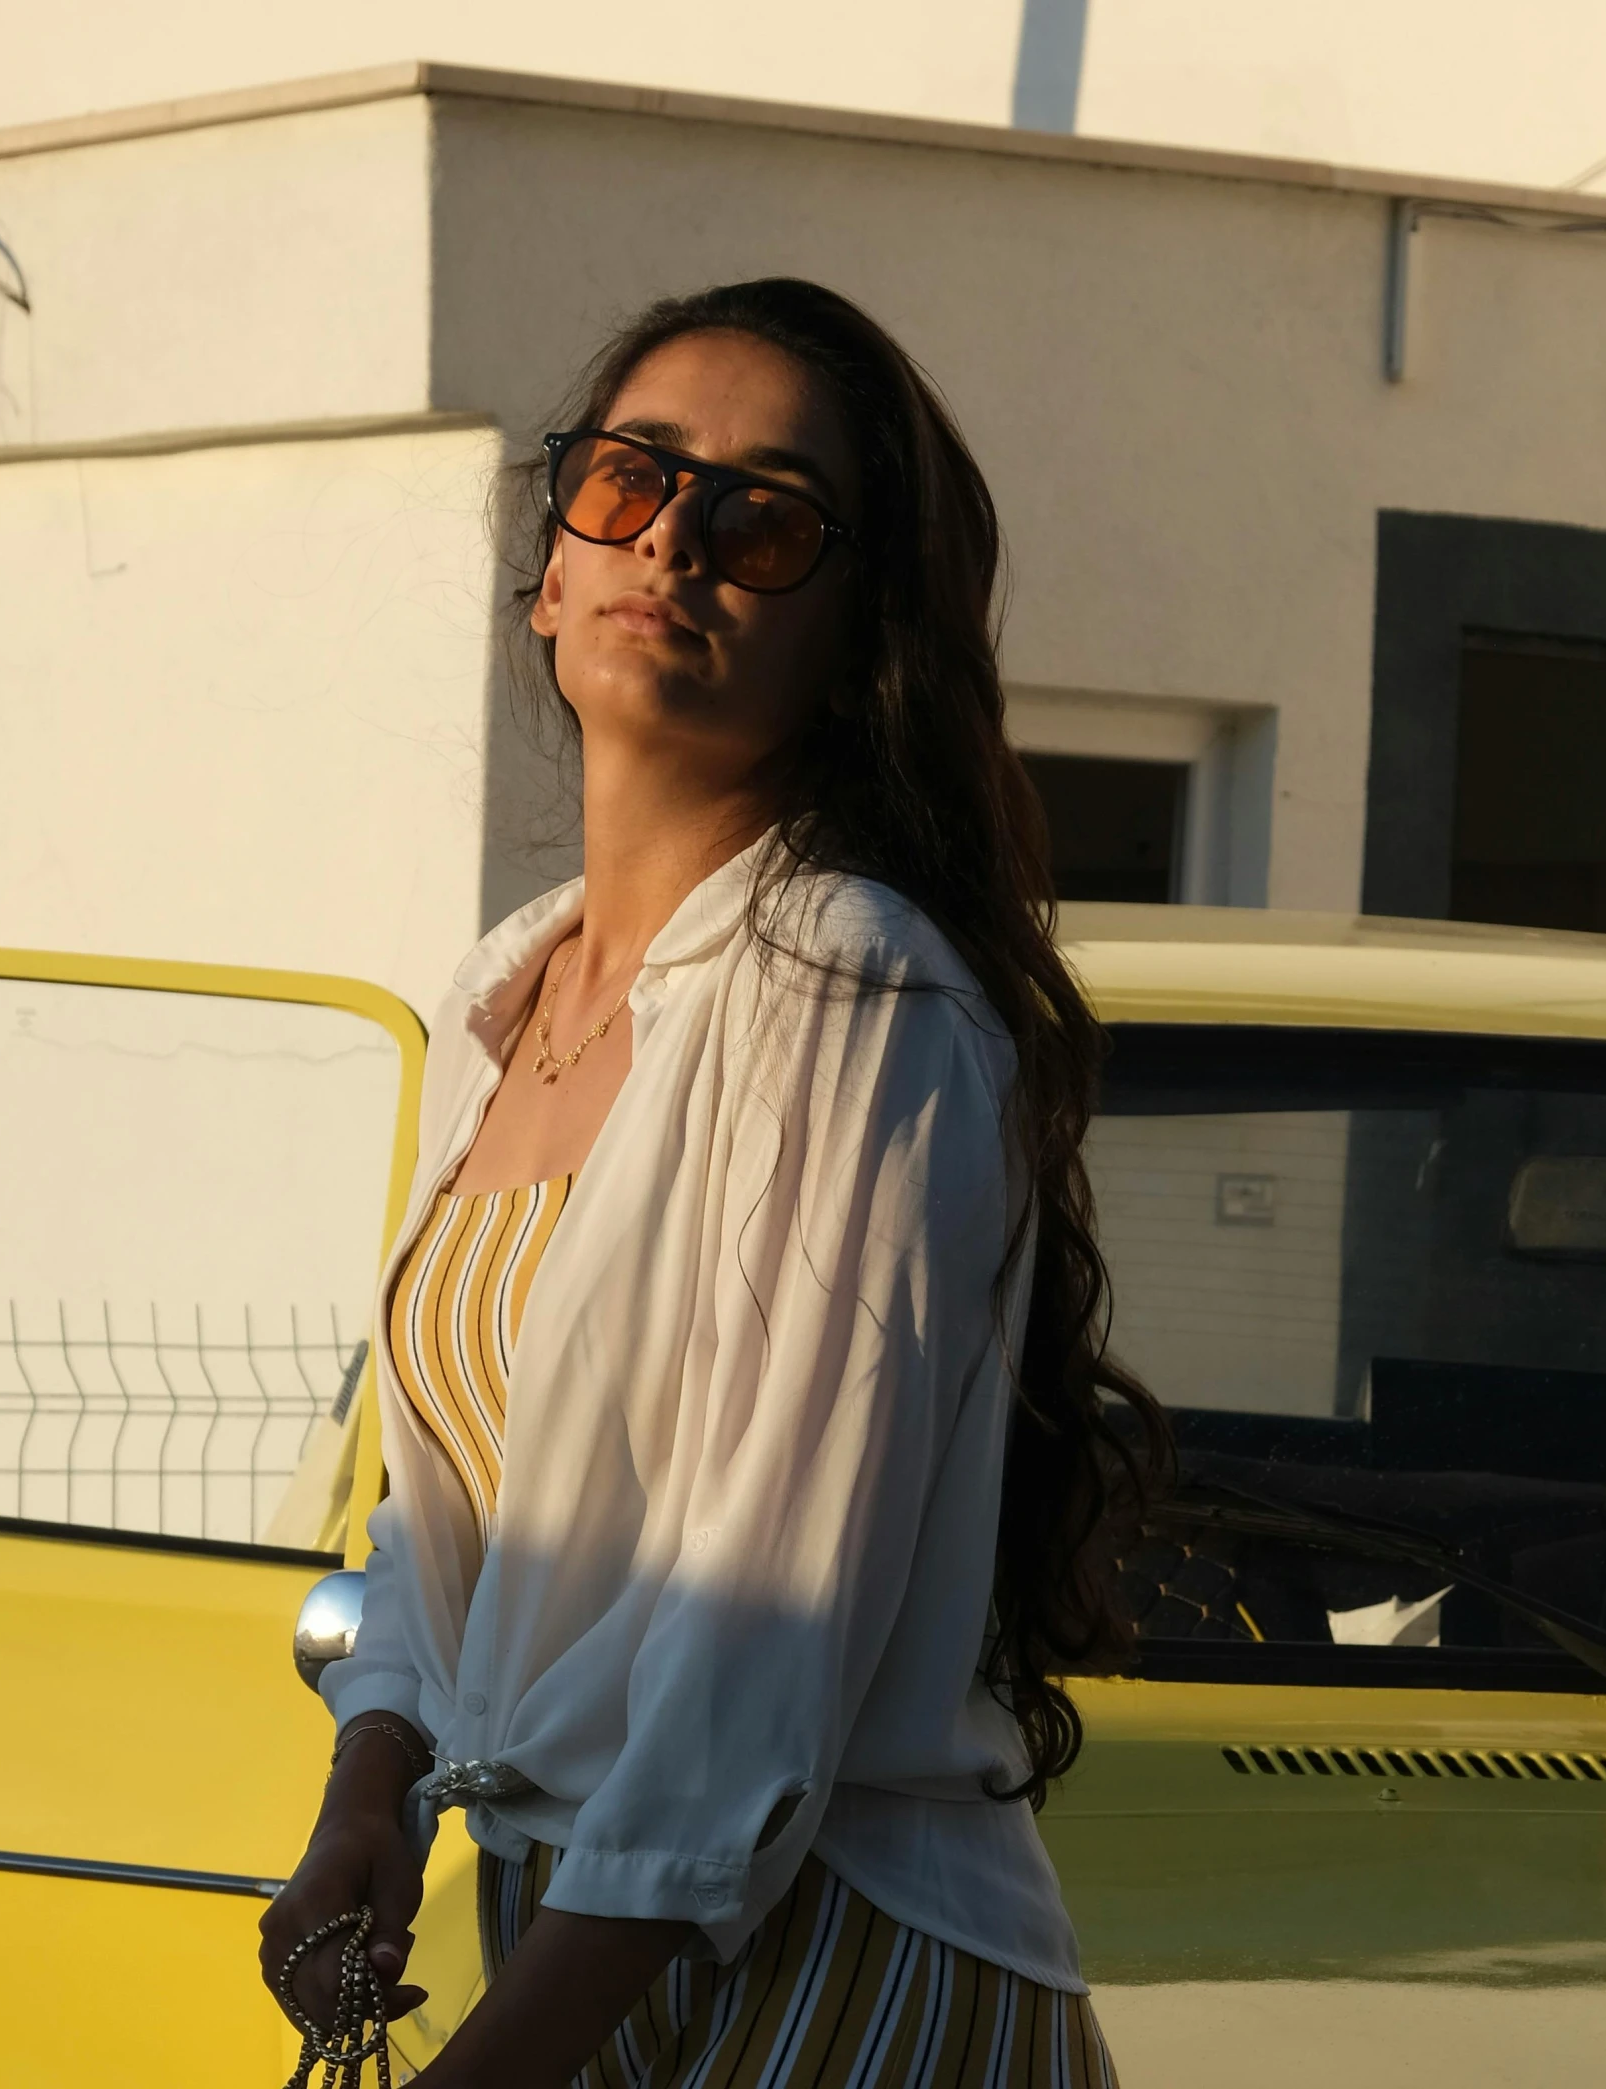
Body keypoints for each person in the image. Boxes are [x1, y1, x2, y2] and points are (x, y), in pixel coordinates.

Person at [260, 276, 1164, 2089]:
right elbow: (463, 1534)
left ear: (856, 636)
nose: (673, 538)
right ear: (549, 566)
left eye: (763, 520)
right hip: (582, 1944)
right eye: (628, 481)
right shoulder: (509, 990)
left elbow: (769, 1616)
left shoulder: (854, 986)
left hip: (830, 1972)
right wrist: (373, 1792)